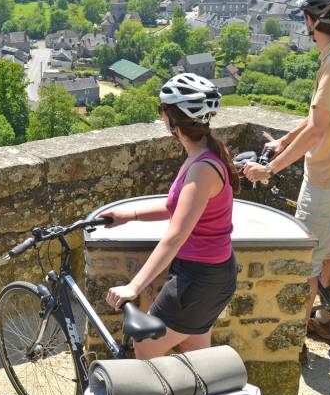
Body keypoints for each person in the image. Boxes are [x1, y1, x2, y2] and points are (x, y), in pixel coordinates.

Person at [243, 0, 330, 343]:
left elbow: (318, 129)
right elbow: (319, 115)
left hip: (328, 173)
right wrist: (285, 141)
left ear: (310, 20)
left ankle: (295, 340)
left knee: (305, 257)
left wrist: (269, 168)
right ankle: (324, 317)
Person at [101, 74, 240, 360]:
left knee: (146, 348)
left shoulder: (201, 169)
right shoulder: (206, 153)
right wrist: (131, 214)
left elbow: (176, 235)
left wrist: (133, 287)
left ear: (170, 118)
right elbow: (182, 210)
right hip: (212, 275)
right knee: (195, 355)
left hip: (198, 280)